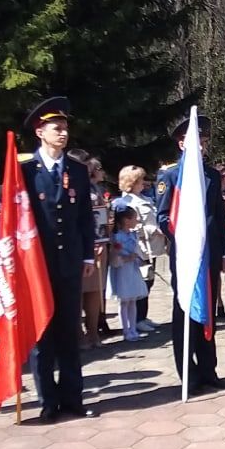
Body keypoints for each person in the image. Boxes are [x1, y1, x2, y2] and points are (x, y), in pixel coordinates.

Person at [20, 96, 98, 422]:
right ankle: (47, 400)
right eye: (56, 128)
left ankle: (72, 397)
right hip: (37, 266)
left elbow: (84, 218)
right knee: (43, 335)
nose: (63, 134)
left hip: (68, 264)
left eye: (65, 128)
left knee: (69, 330)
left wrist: (86, 254)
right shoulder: (24, 171)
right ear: (40, 132)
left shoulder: (77, 170)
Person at [157, 115, 225, 391]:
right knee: (185, 313)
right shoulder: (171, 175)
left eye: (205, 142)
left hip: (210, 255)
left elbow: (219, 218)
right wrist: (184, 235)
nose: (202, 147)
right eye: (197, 141)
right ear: (181, 142)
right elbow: (163, 217)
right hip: (187, 257)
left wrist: (223, 252)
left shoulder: (211, 175)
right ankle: (188, 373)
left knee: (208, 311)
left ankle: (209, 371)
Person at [113, 165, 163, 332]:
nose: (144, 183)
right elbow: (130, 225)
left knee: (149, 281)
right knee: (142, 281)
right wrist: (150, 230)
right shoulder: (126, 202)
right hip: (139, 246)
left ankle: (143, 315)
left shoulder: (143, 198)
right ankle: (137, 319)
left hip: (152, 246)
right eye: (140, 180)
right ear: (132, 182)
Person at [79, 153, 113, 347]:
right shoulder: (78, 188)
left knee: (94, 290)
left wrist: (100, 240)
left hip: (98, 243)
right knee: (80, 291)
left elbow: (100, 218)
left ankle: (93, 331)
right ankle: (79, 333)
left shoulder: (96, 189)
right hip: (81, 244)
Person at [108, 205, 149, 341]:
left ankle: (133, 328)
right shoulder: (117, 236)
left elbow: (135, 250)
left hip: (132, 269)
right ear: (126, 220)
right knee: (124, 301)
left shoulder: (132, 234)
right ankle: (126, 330)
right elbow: (114, 255)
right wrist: (126, 258)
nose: (137, 221)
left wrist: (138, 258)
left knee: (133, 301)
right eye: (134, 218)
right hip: (122, 270)